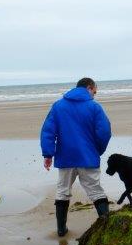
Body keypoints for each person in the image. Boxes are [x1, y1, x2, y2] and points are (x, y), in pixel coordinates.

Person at [40, 77, 111, 236]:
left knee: (62, 191)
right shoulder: (94, 107)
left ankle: (61, 230)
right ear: (89, 87)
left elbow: (48, 132)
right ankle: (106, 227)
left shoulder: (58, 106)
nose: (94, 95)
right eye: (94, 92)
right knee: (96, 191)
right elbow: (104, 132)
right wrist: (97, 150)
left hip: (66, 158)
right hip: (88, 157)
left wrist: (48, 154)